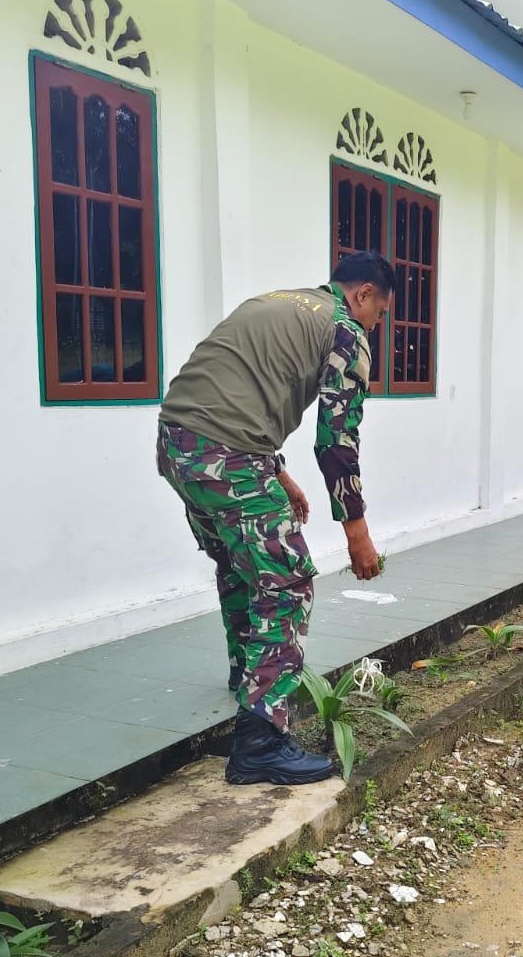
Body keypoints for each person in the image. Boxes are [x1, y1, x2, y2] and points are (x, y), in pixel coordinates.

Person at [156, 251, 393, 785]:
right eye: (380, 312)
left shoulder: (278, 302)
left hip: (176, 445)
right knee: (286, 580)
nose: (376, 324)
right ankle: (261, 740)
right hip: (228, 454)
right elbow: (337, 439)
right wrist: (357, 532)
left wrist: (278, 475)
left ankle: (248, 675)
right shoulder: (343, 329)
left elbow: (235, 392)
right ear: (362, 295)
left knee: (240, 564)